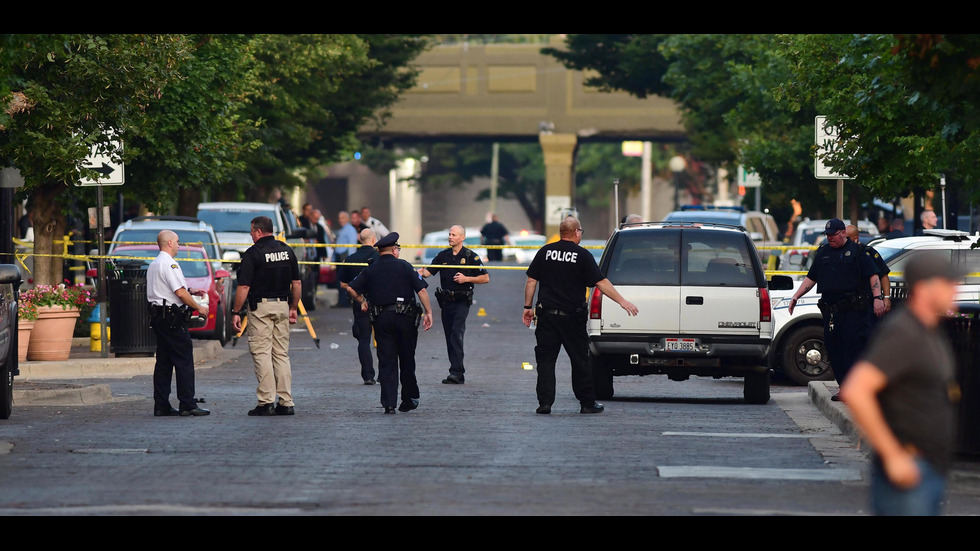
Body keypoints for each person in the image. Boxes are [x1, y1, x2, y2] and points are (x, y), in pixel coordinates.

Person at [840, 252, 962, 516]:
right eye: (947, 283)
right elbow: (857, 391)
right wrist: (893, 455)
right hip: (909, 468)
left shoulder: (929, 330)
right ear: (923, 288)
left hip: (929, 468)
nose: (955, 289)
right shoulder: (903, 331)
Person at [522, 216, 639, 414]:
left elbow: (531, 281)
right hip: (572, 319)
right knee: (580, 361)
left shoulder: (545, 252)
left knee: (546, 362)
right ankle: (586, 403)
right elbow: (601, 283)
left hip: (547, 316)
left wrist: (527, 307)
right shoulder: (582, 255)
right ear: (576, 232)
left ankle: (545, 403)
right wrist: (622, 301)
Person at [788, 218, 885, 401]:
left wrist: (878, 298)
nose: (830, 238)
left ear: (842, 233)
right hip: (831, 311)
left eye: (833, 234)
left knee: (852, 349)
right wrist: (796, 296)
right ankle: (844, 387)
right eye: (828, 235)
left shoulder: (858, 252)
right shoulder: (823, 252)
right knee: (834, 349)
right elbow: (811, 278)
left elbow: (873, 276)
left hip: (853, 310)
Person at [346, 231, 433, 414]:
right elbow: (422, 291)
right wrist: (428, 312)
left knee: (386, 361)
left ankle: (389, 403)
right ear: (394, 250)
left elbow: (351, 288)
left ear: (379, 251)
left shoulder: (371, 269)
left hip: (381, 319)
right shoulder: (404, 266)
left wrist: (363, 301)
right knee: (407, 359)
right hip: (405, 319)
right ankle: (408, 398)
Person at [231, 216, 303, 417]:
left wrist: (236, 312)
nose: (251, 235)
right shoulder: (287, 251)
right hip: (282, 305)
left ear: (259, 231)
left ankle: (266, 402)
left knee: (262, 353)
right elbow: (296, 283)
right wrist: (293, 307)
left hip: (260, 307)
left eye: (252, 232)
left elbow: (244, 286)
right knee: (281, 354)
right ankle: (286, 402)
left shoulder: (252, 254)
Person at [146, 230, 210, 417]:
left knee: (164, 363)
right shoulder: (169, 264)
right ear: (170, 243)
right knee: (184, 361)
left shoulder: (155, 263)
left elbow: (169, 289)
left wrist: (191, 290)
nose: (180, 246)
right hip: (172, 318)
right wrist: (199, 307)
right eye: (178, 242)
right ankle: (188, 403)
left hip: (159, 317)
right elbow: (179, 293)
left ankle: (161, 404)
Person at [417, 224, 490, 384]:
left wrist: (467, 279)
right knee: (450, 336)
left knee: (457, 333)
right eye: (449, 234)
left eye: (454, 235)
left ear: (462, 238)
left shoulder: (471, 256)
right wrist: (415, 272)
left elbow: (485, 278)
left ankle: (456, 372)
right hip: (446, 302)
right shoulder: (443, 256)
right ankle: (456, 371)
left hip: (462, 302)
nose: (450, 237)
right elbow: (428, 272)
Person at [338, 228, 380, 384]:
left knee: (363, 340)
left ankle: (368, 376)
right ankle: (384, 373)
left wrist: (359, 297)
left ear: (359, 239)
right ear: (374, 240)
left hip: (358, 302)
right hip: (378, 302)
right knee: (383, 340)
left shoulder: (350, 258)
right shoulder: (379, 257)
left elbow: (343, 284)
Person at [846, 224, 892, 314]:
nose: (845, 241)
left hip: (867, 301)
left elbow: (883, 275)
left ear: (856, 238)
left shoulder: (867, 252)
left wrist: (886, 298)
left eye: (848, 238)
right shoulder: (841, 253)